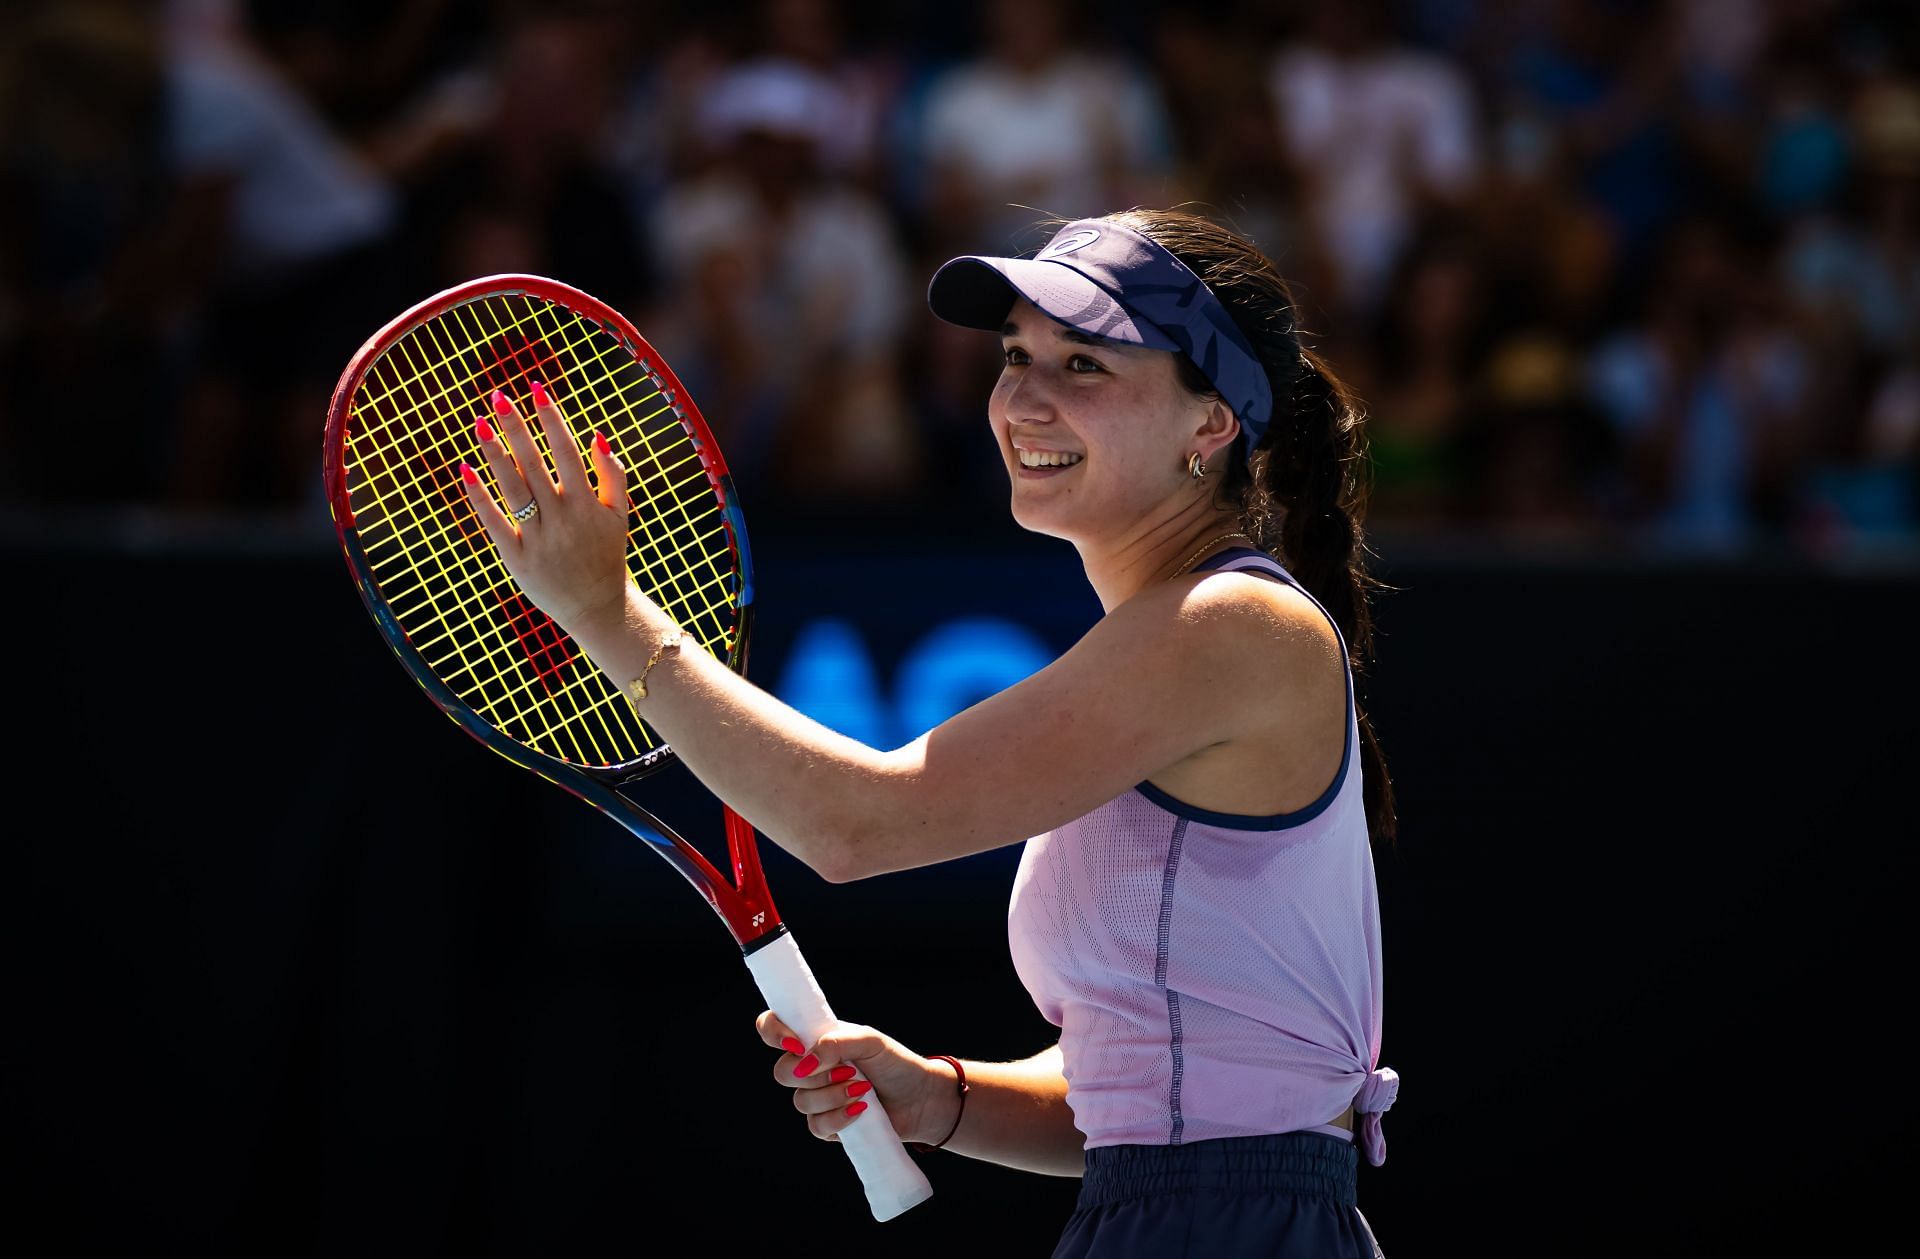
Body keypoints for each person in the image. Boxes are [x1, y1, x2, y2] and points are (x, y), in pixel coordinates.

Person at [458, 208, 1399, 1257]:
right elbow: (1161, 1098)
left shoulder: (1234, 628)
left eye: (1083, 363)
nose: (1023, 400)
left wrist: (607, 612)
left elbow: (854, 823)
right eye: (1014, 358)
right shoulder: (1175, 640)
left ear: (1211, 421)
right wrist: (944, 1097)